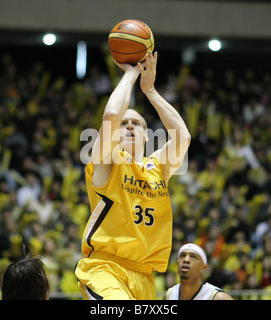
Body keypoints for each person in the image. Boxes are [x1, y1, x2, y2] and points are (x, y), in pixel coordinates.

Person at [75, 51, 191, 300]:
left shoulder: (158, 166)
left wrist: (150, 91)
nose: (128, 126)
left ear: (147, 136)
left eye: (136, 123)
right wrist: (130, 74)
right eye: (124, 123)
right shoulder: (108, 161)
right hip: (106, 268)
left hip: (144, 275)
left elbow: (183, 137)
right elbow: (110, 117)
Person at [164, 243, 234, 300]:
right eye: (182, 255)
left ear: (203, 268)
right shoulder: (169, 295)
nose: (186, 260)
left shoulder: (218, 297)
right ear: (177, 263)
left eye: (193, 256)